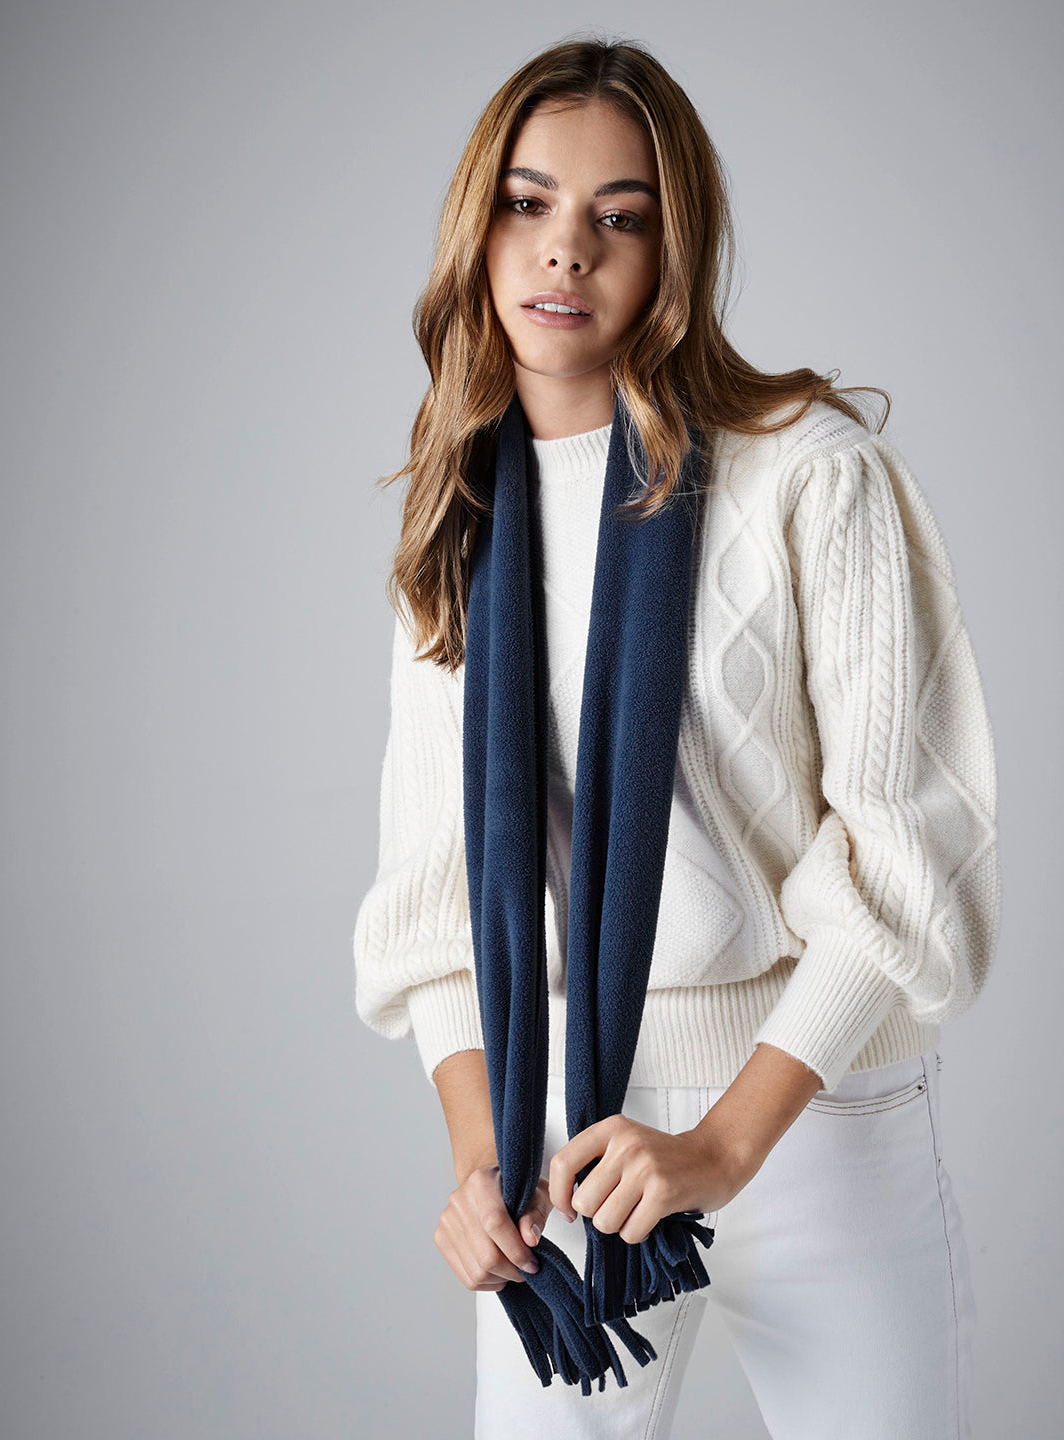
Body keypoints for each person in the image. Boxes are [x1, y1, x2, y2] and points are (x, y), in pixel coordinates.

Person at [352, 32, 999, 1440]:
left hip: (816, 1123)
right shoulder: (459, 518)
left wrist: (722, 1144)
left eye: (620, 216)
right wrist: (481, 1161)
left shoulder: (810, 474)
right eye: (528, 203)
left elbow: (903, 853)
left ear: (673, 254)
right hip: (566, 1137)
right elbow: (437, 903)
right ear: (478, 231)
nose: (566, 249)